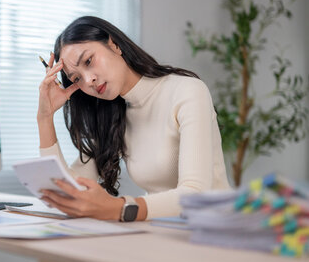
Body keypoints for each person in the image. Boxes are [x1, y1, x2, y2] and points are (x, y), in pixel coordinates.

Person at [37, 16, 231, 222]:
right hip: (162, 235)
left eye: (88, 61)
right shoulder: (113, 115)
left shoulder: (186, 91)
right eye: (77, 79)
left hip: (218, 233)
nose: (89, 80)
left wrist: (119, 207)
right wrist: (45, 117)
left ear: (114, 44)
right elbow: (67, 190)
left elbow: (195, 194)